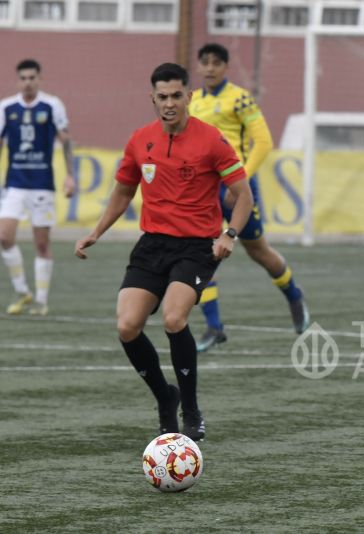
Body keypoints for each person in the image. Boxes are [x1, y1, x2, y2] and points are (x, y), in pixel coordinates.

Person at [74, 63, 253, 441]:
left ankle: (192, 409)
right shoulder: (140, 140)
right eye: (162, 97)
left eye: (176, 96)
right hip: (152, 244)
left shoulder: (211, 140)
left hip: (197, 247)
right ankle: (165, 397)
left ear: (189, 96)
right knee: (127, 327)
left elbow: (244, 196)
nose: (169, 103)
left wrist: (230, 234)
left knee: (174, 318)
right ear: (152, 98)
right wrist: (96, 232)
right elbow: (124, 191)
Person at [189, 42, 309, 352]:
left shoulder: (240, 98)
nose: (210, 68)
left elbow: (263, 141)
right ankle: (214, 327)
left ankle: (294, 296)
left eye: (216, 62)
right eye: (205, 62)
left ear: (225, 67)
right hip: (204, 189)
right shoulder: (193, 101)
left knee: (258, 251)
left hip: (236, 186)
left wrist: (238, 182)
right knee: (201, 254)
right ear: (199, 66)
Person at [0, 59, 75, 316]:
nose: (28, 82)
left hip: (42, 184)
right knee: (4, 236)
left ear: (39, 79)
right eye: (23, 78)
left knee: (41, 243)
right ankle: (23, 291)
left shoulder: (52, 105)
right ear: (17, 80)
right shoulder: (6, 107)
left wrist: (70, 176)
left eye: (32, 77)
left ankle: (41, 300)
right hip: (14, 184)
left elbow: (65, 141)